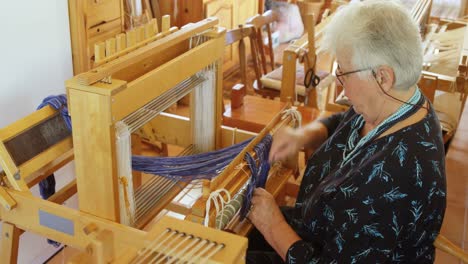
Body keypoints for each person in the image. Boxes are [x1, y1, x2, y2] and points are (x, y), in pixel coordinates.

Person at [246, 0, 447, 263]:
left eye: (345, 73)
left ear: (383, 76)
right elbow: (345, 121)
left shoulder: (393, 178)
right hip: (317, 229)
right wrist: (304, 135)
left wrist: (273, 227)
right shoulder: (399, 102)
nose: (341, 86)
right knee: (233, 236)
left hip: (321, 253)